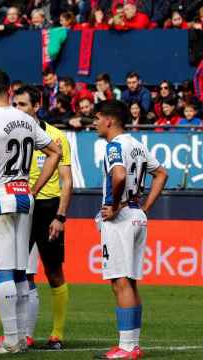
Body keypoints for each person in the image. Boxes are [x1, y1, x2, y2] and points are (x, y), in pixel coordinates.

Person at [0, 69, 61, 354]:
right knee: (21, 270)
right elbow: (55, 152)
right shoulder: (27, 120)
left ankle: (12, 340)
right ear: (10, 92)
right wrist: (35, 188)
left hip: (0, 197)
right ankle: (23, 336)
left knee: (3, 271)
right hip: (25, 196)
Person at [93, 100, 167, 359]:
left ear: (109, 120)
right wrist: (145, 206)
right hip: (136, 215)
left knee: (120, 282)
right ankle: (133, 344)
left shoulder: (114, 146)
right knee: (131, 283)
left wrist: (113, 206)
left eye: (97, 118)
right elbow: (162, 174)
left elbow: (120, 175)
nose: (95, 123)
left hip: (121, 219)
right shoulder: (137, 145)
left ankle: (125, 348)